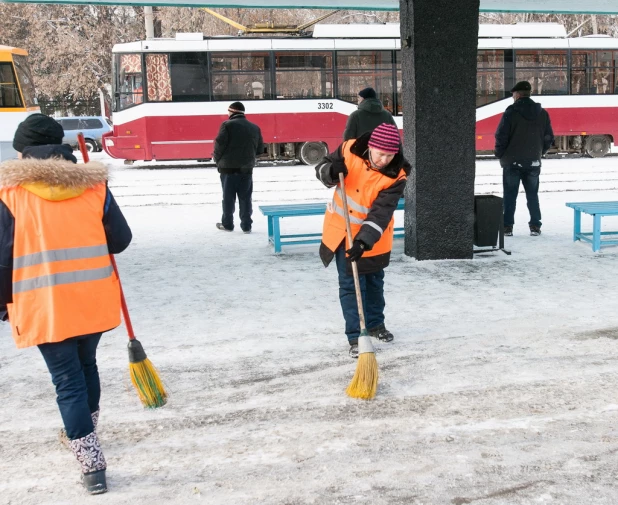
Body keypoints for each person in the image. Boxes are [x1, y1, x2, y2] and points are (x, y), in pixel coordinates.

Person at [0, 113, 132, 494]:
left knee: (67, 382)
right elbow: (120, 240)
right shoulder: (95, 187)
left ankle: (92, 464)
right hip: (92, 300)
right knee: (86, 367)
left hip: (44, 305)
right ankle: (86, 433)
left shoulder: (9, 194)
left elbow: (2, 258)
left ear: (23, 153)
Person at [315, 123, 411, 358]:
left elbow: (381, 212)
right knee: (350, 285)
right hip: (341, 232)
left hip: (373, 236)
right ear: (370, 147)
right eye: (380, 153)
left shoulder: (396, 175)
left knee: (374, 282)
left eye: (390, 155)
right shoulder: (349, 149)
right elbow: (321, 168)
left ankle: (376, 324)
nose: (384, 160)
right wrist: (329, 170)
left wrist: (363, 241)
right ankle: (356, 335)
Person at [494, 81, 554, 237]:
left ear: (517, 95)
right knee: (532, 195)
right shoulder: (543, 113)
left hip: (512, 162)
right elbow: (549, 138)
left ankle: (507, 227)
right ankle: (535, 226)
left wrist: (500, 154)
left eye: (513, 94)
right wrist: (540, 153)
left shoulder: (511, 112)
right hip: (533, 162)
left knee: (510, 195)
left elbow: (501, 136)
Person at [213, 101, 264, 233]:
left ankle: (228, 224)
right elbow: (259, 150)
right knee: (245, 198)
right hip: (246, 170)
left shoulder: (227, 125)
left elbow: (219, 145)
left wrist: (217, 160)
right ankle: (246, 225)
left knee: (228, 198)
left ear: (232, 112)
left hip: (228, 169)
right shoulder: (254, 127)